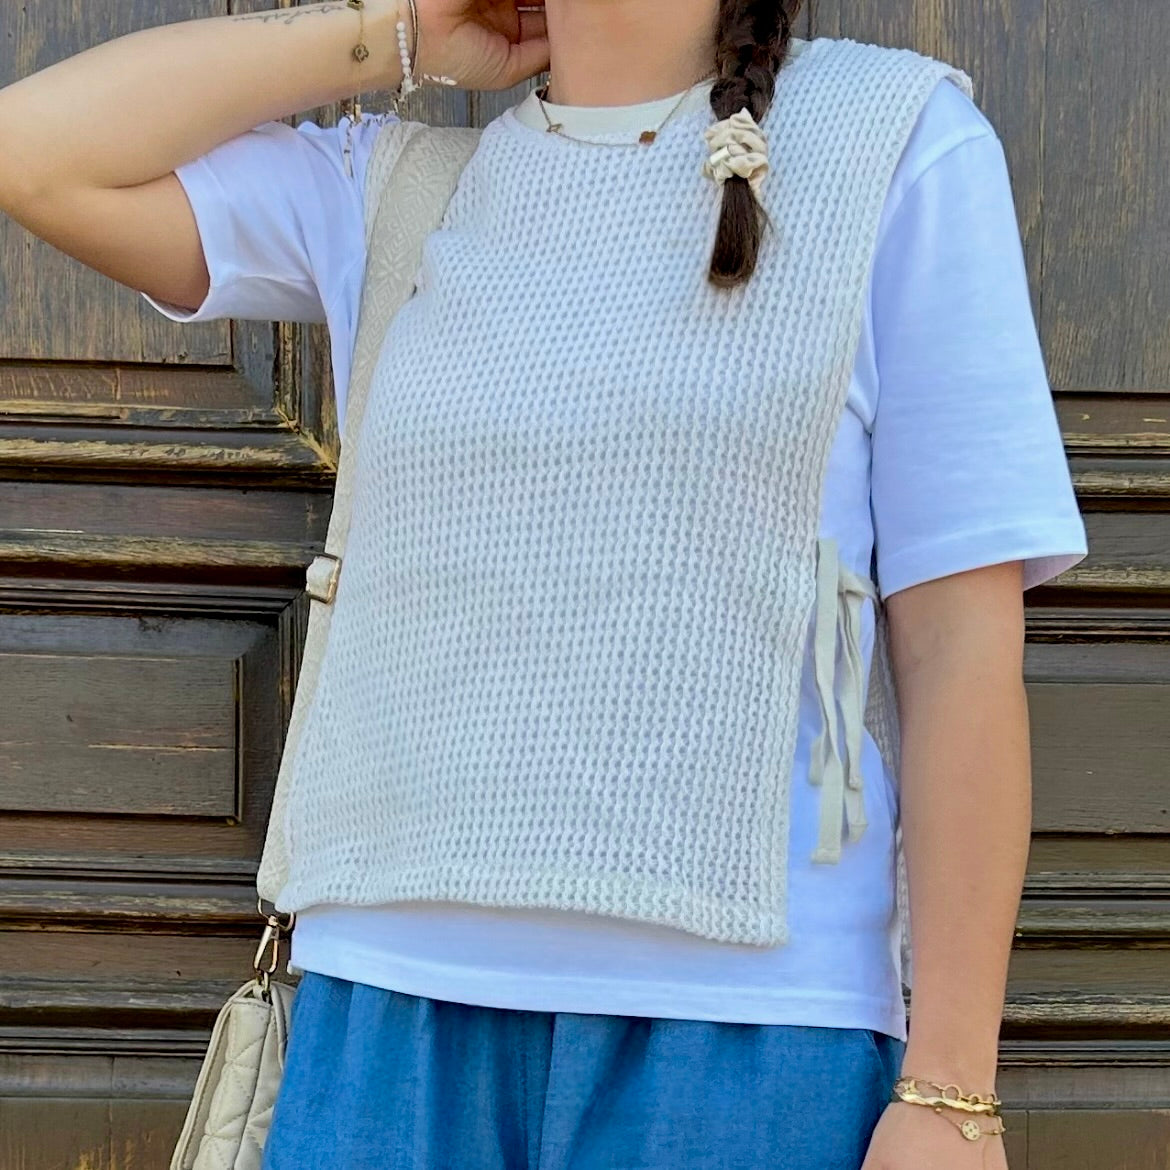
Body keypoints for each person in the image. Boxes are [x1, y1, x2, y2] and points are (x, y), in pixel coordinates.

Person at [0, 2, 1089, 1167]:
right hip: (385, 1023)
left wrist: (952, 1092)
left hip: (748, 1039)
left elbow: (959, 646)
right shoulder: (401, 189)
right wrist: (402, 32)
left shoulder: (898, 143)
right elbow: (35, 150)